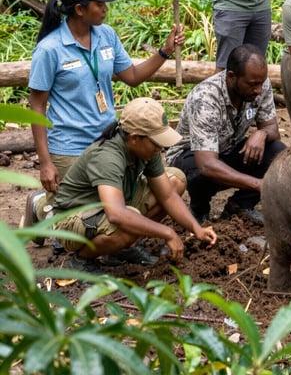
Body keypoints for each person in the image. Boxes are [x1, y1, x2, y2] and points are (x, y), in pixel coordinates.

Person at [27, 0, 184, 194]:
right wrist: (45, 163)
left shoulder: (106, 35)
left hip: (108, 141)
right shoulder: (49, 50)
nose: (105, 8)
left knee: (169, 186)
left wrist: (164, 51)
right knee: (98, 211)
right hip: (70, 147)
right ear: (80, 10)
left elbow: (132, 76)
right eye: (99, 3)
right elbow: (37, 107)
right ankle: (41, 206)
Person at [27, 97, 217, 272]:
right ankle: (81, 260)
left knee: (175, 180)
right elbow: (117, 215)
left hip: (112, 203)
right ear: (134, 138)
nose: (161, 148)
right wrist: (167, 232)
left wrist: (196, 228)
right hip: (73, 217)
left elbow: (167, 195)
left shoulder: (147, 149)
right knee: (126, 221)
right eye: (157, 143)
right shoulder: (107, 157)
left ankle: (122, 249)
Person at [165, 44, 286, 224]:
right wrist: (258, 184)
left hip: (228, 148)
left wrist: (261, 134)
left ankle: (240, 205)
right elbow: (207, 164)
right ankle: (199, 211)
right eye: (253, 84)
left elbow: (272, 129)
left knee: (277, 152)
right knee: (199, 173)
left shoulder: (260, 84)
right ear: (231, 77)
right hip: (191, 156)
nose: (259, 90)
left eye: (261, 83)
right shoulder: (205, 98)